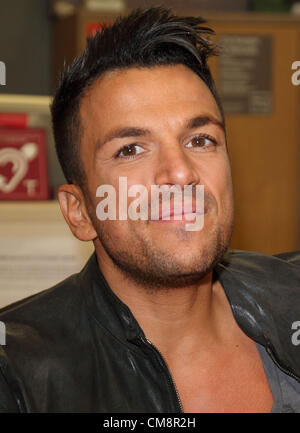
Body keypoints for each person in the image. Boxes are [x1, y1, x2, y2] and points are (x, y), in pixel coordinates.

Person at [0, 7, 299, 413]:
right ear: (80, 211)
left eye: (200, 140)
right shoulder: (17, 375)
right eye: (130, 149)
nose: (179, 173)